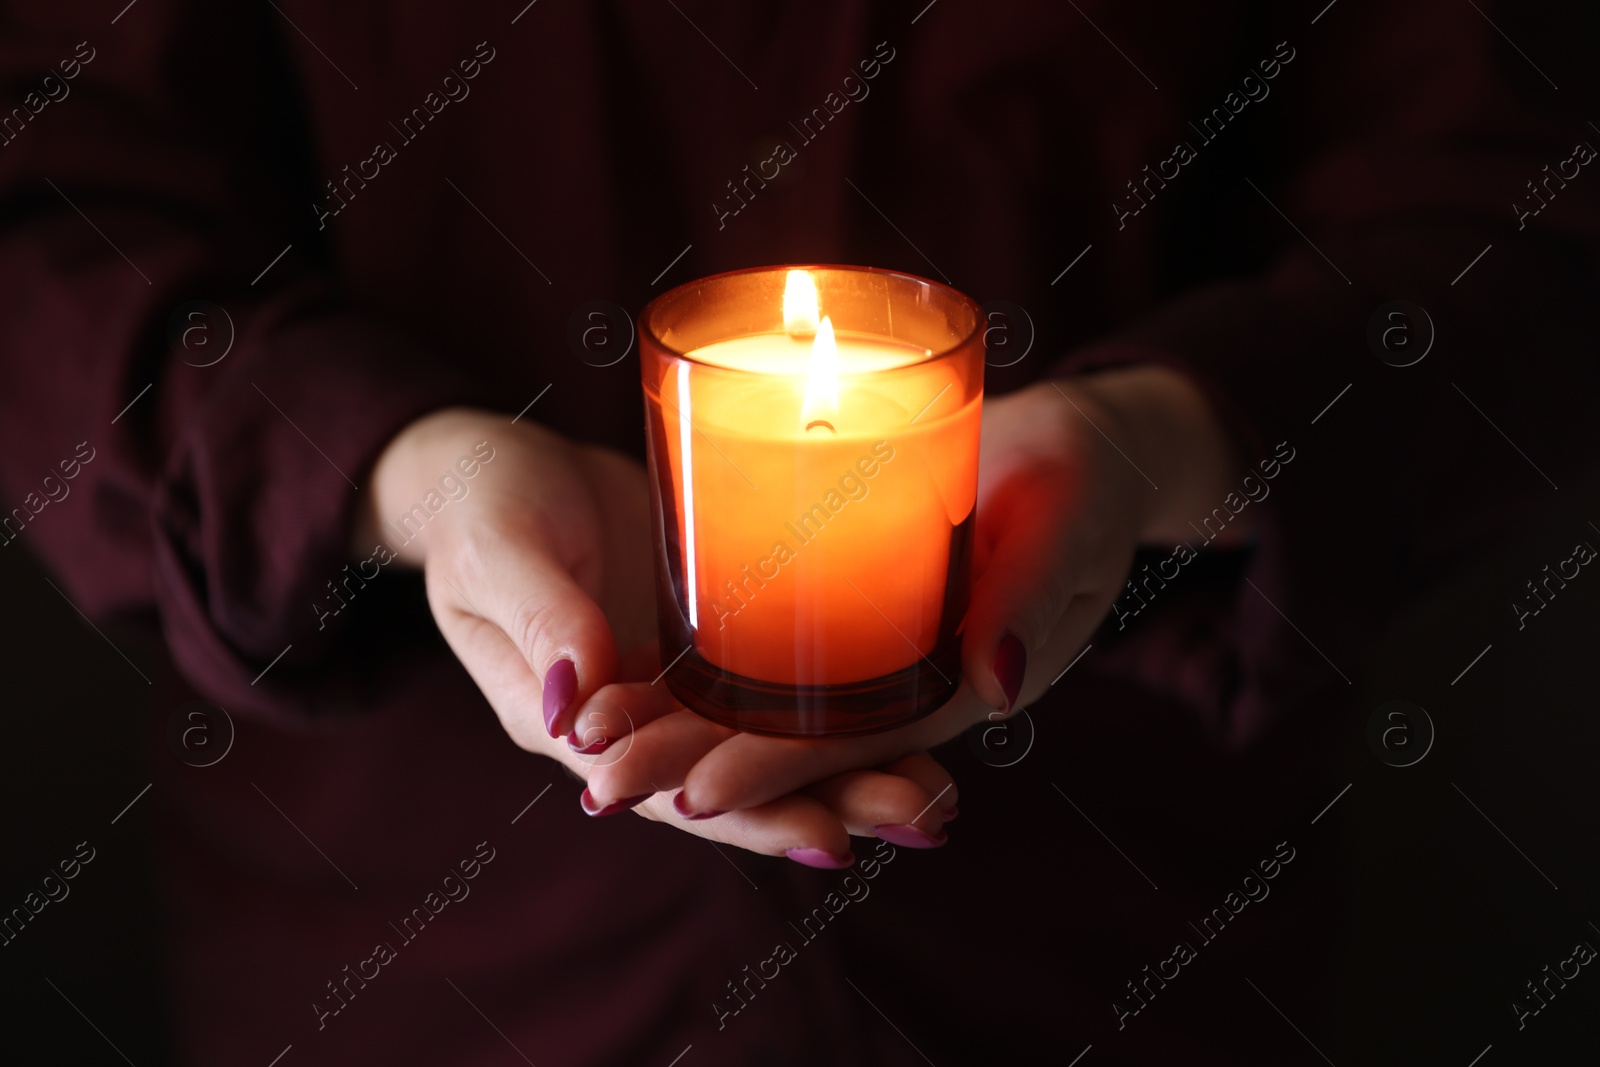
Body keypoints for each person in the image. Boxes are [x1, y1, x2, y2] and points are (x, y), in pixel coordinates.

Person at [2, 1, 1595, 1063]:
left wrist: (1157, 436)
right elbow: (51, 208)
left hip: (1108, 951)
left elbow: (1513, 217)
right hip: (427, 963)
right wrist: (405, 477)